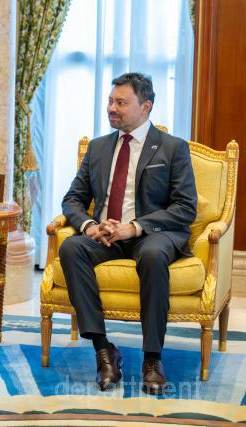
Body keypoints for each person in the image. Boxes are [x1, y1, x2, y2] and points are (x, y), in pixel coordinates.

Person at [59, 73, 197, 395]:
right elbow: (72, 199)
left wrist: (134, 227)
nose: (111, 108)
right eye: (110, 101)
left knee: (152, 255)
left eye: (121, 102)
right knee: (71, 248)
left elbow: (184, 207)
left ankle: (152, 359)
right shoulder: (98, 148)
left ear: (145, 107)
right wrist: (90, 226)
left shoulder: (172, 148)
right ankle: (104, 350)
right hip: (106, 235)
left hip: (152, 234)